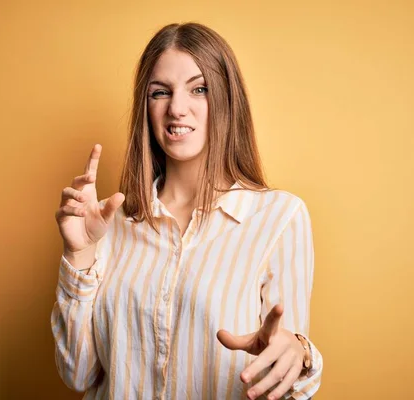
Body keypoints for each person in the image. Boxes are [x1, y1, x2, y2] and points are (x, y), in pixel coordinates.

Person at [51, 22, 323, 400]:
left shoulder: (279, 218)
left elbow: (285, 370)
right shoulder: (109, 225)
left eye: (199, 89)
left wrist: (301, 353)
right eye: (160, 93)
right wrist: (78, 253)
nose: (177, 109)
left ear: (228, 101)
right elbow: (77, 374)